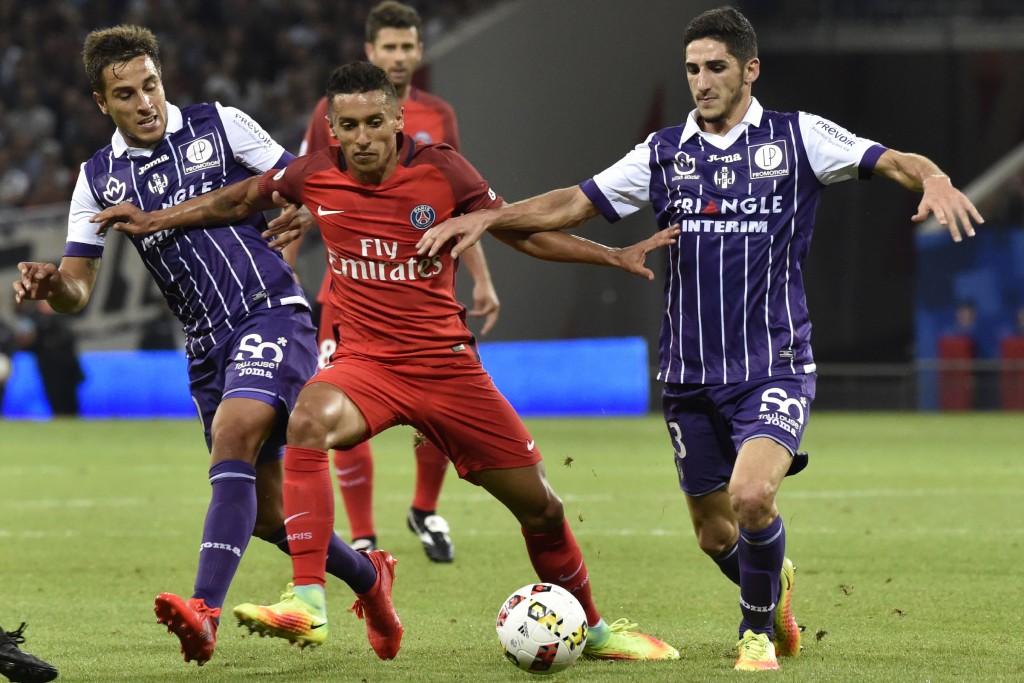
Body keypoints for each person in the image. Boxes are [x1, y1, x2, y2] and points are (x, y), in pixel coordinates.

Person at [414, 6, 983, 672]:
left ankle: (756, 634)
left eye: (716, 67)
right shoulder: (662, 153)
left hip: (775, 363)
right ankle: (774, 583)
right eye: (692, 68)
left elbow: (890, 160)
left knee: (750, 498)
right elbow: (573, 201)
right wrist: (489, 217)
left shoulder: (798, 137)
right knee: (716, 533)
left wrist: (935, 176)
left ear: (750, 69)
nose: (703, 81)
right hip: (688, 374)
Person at [92, 60, 681, 662]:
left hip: (447, 369)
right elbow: (238, 198)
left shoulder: (443, 170)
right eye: (350, 126)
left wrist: (611, 256)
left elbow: (519, 232)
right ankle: (308, 602)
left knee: (542, 507)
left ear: (399, 118)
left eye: (376, 122)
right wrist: (153, 219)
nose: (365, 137)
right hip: (366, 366)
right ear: (332, 128)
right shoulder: (314, 175)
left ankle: (598, 630)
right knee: (306, 421)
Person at [11, 26, 400, 666]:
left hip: (270, 311)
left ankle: (205, 610)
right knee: (268, 517)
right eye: (126, 94)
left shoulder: (219, 126)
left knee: (236, 430)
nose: (145, 103)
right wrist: (53, 285)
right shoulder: (97, 178)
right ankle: (369, 578)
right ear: (100, 102)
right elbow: (78, 289)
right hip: (204, 347)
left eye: (151, 85)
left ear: (164, 79)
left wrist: (305, 212)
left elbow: (304, 178)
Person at [290, 0, 499, 563]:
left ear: (420, 51)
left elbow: (463, 206)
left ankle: (425, 508)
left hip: (423, 288)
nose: (400, 56)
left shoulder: (439, 116)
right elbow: (309, 191)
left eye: (409, 47)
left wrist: (481, 278)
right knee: (338, 406)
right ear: (371, 52)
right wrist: (285, 265)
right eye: (390, 47)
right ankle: (362, 537)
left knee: (435, 409)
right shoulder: (330, 112)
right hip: (350, 296)